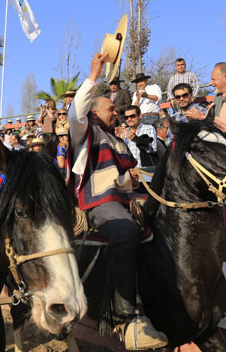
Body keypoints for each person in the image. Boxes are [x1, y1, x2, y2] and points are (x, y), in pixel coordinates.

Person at [69, 53, 167, 350]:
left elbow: (123, 177)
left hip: (128, 200)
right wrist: (94, 73)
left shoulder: (119, 140)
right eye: (111, 108)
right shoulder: (84, 131)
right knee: (125, 231)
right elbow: (75, 113)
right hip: (100, 204)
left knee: (169, 225)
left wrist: (134, 181)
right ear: (94, 113)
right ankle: (127, 318)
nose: (117, 112)